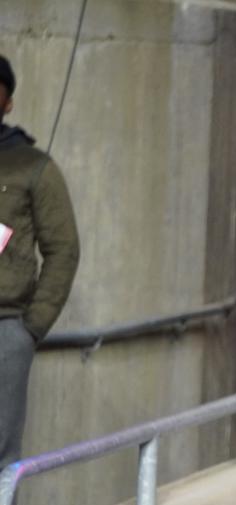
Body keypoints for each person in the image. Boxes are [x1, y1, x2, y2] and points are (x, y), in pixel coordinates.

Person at [0, 54, 80, 475]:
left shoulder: (34, 166)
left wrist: (29, 328)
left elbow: (63, 249)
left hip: (6, 328)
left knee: (0, 455)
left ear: (8, 100)